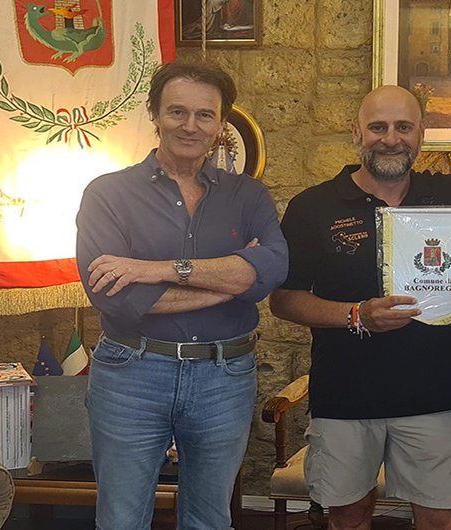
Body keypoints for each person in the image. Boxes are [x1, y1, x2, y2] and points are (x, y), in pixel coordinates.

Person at [269, 85, 451, 530]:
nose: (391, 139)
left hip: (431, 397)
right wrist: (357, 315)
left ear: (421, 133)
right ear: (356, 132)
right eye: (378, 127)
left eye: (404, 127)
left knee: (443, 519)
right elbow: (283, 298)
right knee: (350, 518)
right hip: (344, 397)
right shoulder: (312, 206)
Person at [75, 61, 288, 530]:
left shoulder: (249, 195)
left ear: (221, 123)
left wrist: (155, 270)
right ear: (154, 114)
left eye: (204, 115)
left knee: (209, 520)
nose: (190, 125)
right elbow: (117, 299)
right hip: (131, 374)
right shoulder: (107, 194)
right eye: (177, 112)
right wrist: (232, 283)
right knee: (120, 520)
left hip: (224, 377)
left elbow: (272, 270)